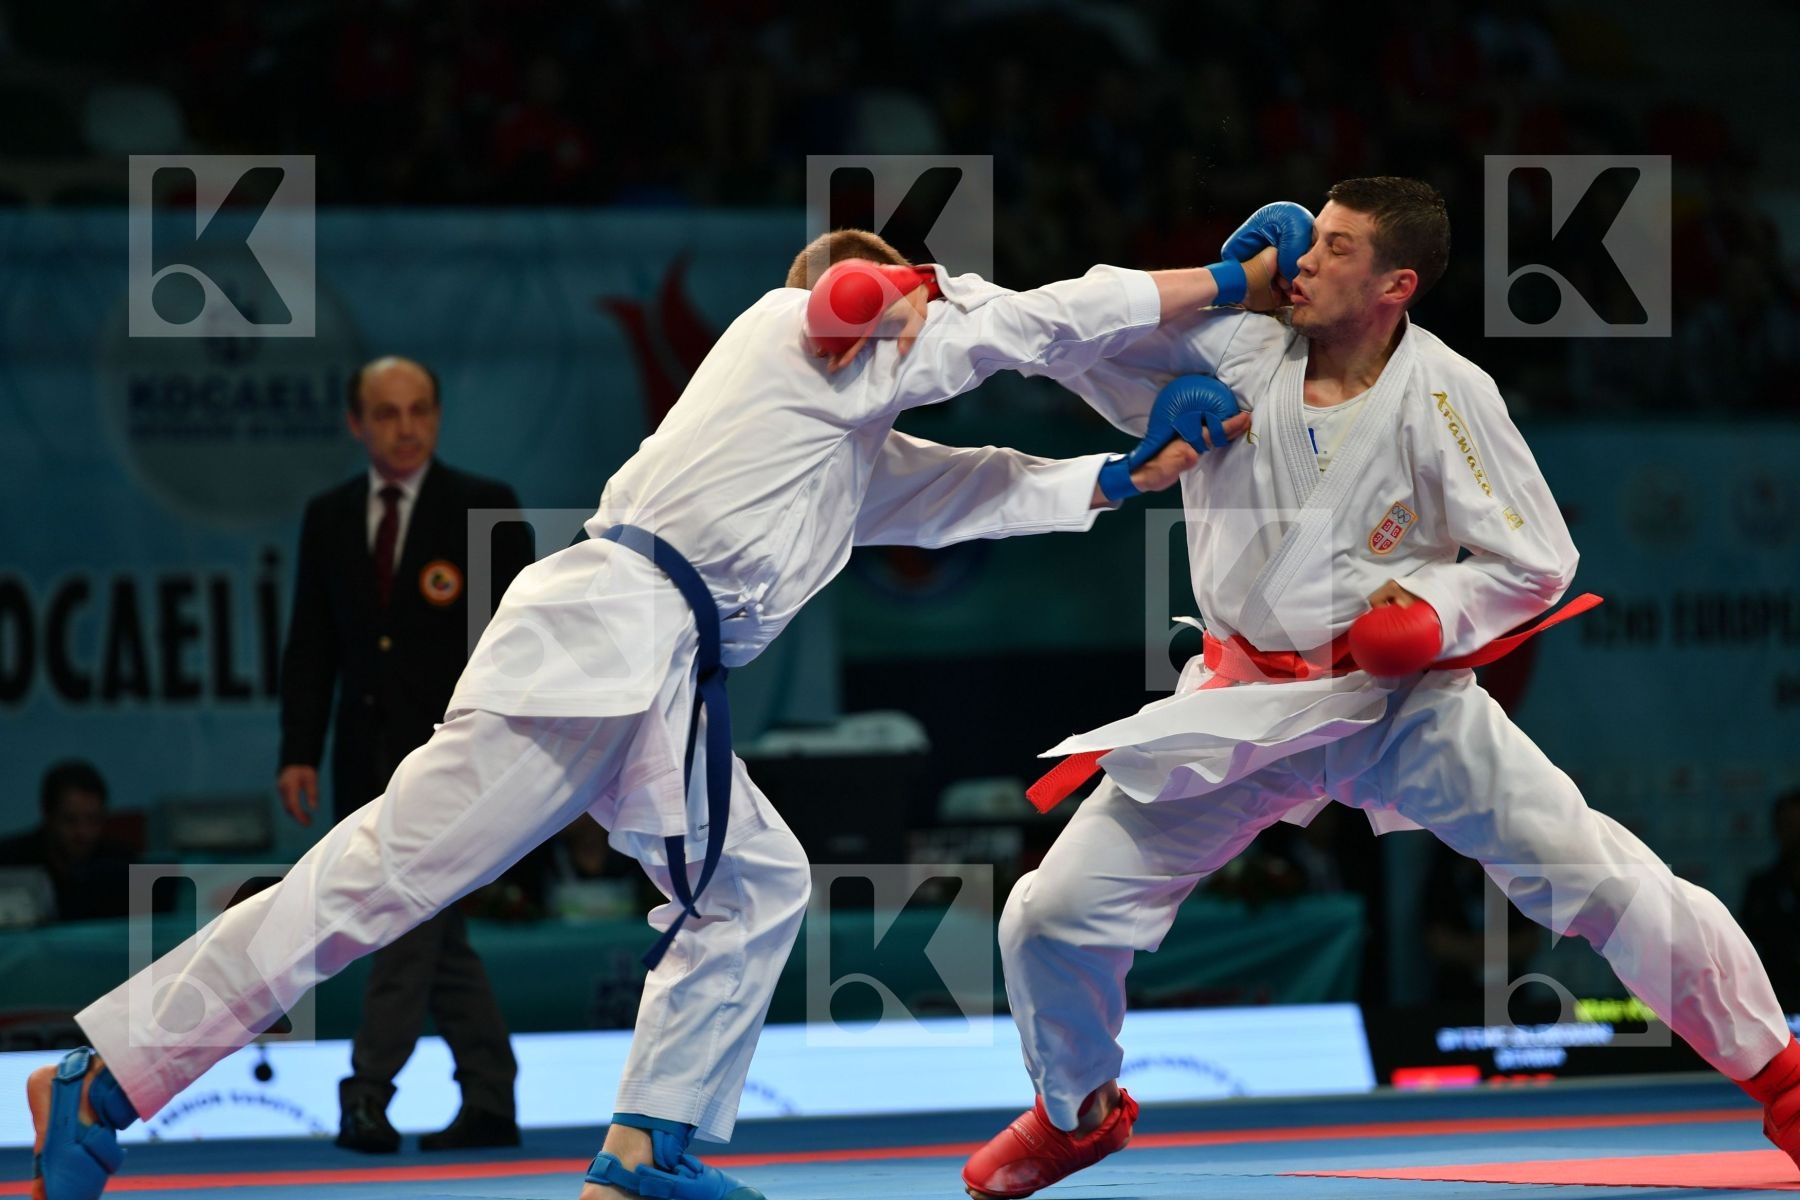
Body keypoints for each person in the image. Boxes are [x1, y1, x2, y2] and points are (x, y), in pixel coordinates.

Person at [26, 229, 1236, 1200]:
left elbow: (963, 494)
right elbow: (1017, 325)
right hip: (603, 640)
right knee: (379, 880)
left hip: (654, 674)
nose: (919, 325)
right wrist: (1218, 282)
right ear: (863, 298)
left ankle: (648, 1142)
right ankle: (104, 1076)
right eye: (907, 305)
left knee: (756, 884)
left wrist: (1122, 477)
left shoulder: (833, 445)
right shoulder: (792, 332)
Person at [961, 179, 1800, 1200]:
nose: (1306, 260)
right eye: (1309, 239)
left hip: (1397, 707)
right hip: (1241, 701)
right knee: (1049, 917)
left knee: (1602, 880)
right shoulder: (1235, 347)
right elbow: (1067, 331)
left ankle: (1785, 1082)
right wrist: (1212, 288)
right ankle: (1074, 1114)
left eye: (1337, 248)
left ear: (1397, 283)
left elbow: (1536, 559)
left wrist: (1435, 619)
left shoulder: (1450, 395)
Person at [277, 355, 536, 1153]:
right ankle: (491, 1096)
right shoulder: (329, 516)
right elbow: (312, 644)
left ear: (438, 415)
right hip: (365, 759)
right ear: (357, 423)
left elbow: (525, 643)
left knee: (405, 921)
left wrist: (512, 751)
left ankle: (367, 1093)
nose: (405, 427)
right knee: (432, 930)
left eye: (419, 409)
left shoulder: (483, 507)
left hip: (459, 762)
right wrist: (299, 752)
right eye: (386, 413)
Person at [0, 762, 133, 923]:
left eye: (93, 820)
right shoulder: (10, 860)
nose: (82, 832)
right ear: (48, 815)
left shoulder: (121, 862)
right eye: (70, 820)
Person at [1740, 789, 1800, 1005]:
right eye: (1789, 826)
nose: (1795, 834)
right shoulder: (1761, 887)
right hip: (1778, 997)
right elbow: (1755, 935)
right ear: (1777, 830)